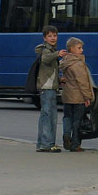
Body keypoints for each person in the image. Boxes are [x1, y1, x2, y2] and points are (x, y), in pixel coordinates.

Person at [59, 37, 93, 152]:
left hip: (67, 95)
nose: (82, 50)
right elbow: (82, 82)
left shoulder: (65, 61)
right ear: (72, 49)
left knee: (67, 118)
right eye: (79, 48)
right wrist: (87, 97)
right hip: (78, 97)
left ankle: (66, 134)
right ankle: (75, 144)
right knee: (77, 121)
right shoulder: (77, 63)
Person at [35, 25, 65, 153]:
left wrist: (59, 80)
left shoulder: (50, 50)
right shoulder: (47, 51)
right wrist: (58, 54)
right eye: (50, 36)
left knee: (45, 116)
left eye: (54, 35)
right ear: (45, 38)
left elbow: (50, 71)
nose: (53, 38)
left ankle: (42, 143)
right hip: (47, 88)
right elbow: (46, 59)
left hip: (49, 86)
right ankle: (47, 144)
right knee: (49, 116)